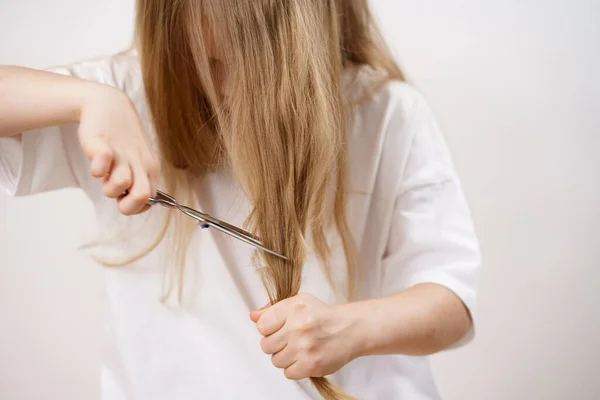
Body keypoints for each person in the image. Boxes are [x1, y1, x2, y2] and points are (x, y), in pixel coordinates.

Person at [0, 1, 480, 399]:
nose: (219, 89)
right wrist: (88, 100)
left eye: (241, 62)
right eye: (199, 61)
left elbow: (452, 305)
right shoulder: (127, 93)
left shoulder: (386, 113)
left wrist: (352, 329)